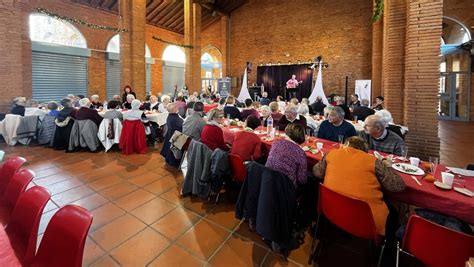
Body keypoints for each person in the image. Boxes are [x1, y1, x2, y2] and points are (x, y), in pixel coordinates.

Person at [312, 136, 406, 235]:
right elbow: (398, 186)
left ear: (346, 145)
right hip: (367, 222)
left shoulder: (332, 153)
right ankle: (389, 246)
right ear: (365, 151)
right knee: (395, 210)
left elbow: (316, 172)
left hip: (330, 210)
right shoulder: (374, 161)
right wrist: (388, 166)